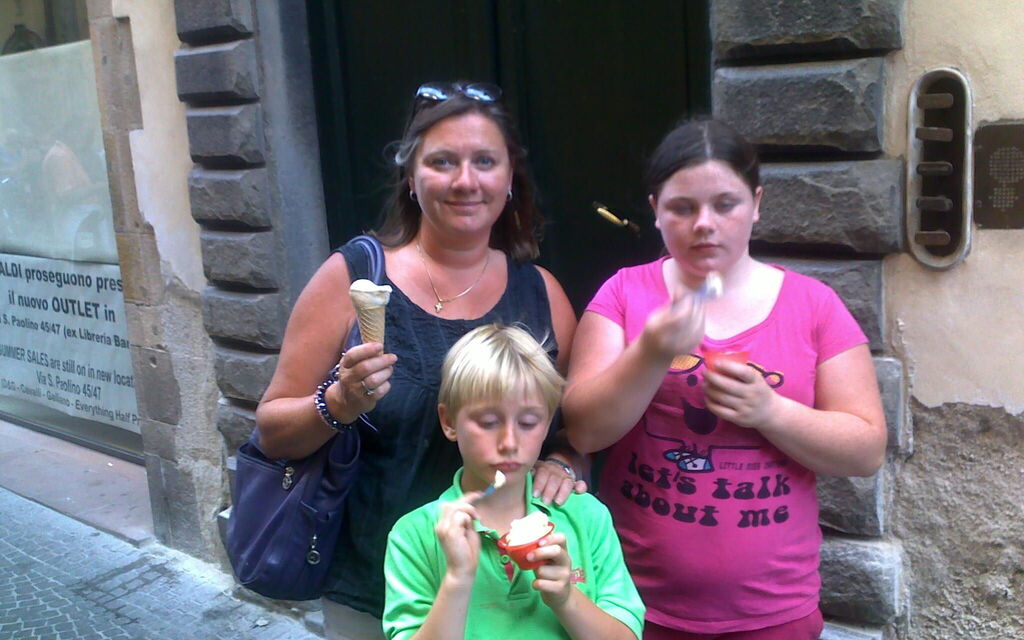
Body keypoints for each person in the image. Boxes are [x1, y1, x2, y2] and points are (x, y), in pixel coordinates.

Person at [255, 82, 584, 640]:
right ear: (412, 178)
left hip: (509, 593)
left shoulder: (541, 294)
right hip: (374, 589)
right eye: (442, 161)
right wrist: (337, 404)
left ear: (509, 181)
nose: (465, 180)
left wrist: (566, 463)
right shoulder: (354, 277)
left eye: (485, 161)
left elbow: (572, 428)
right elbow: (272, 432)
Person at [561, 119, 886, 640]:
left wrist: (772, 412)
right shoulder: (624, 295)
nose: (704, 224)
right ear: (655, 210)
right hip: (633, 606)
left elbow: (865, 451)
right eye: (683, 207)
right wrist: (650, 351)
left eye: (725, 204)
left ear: (756, 204)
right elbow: (585, 432)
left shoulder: (813, 305)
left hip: (774, 611)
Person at [383, 324, 645, 640]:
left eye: (528, 422)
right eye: (489, 422)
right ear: (449, 421)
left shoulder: (586, 516)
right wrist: (457, 580)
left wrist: (565, 598)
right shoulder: (414, 535)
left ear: (548, 422)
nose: (509, 441)